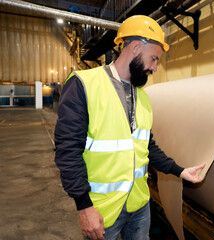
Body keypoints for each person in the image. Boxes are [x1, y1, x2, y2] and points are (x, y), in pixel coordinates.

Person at [54, 15, 205, 240]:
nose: (154, 67)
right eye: (153, 59)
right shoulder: (84, 84)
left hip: (139, 205)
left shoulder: (142, 97)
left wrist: (179, 170)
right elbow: (68, 150)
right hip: (103, 211)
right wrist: (84, 207)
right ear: (135, 48)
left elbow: (147, 146)